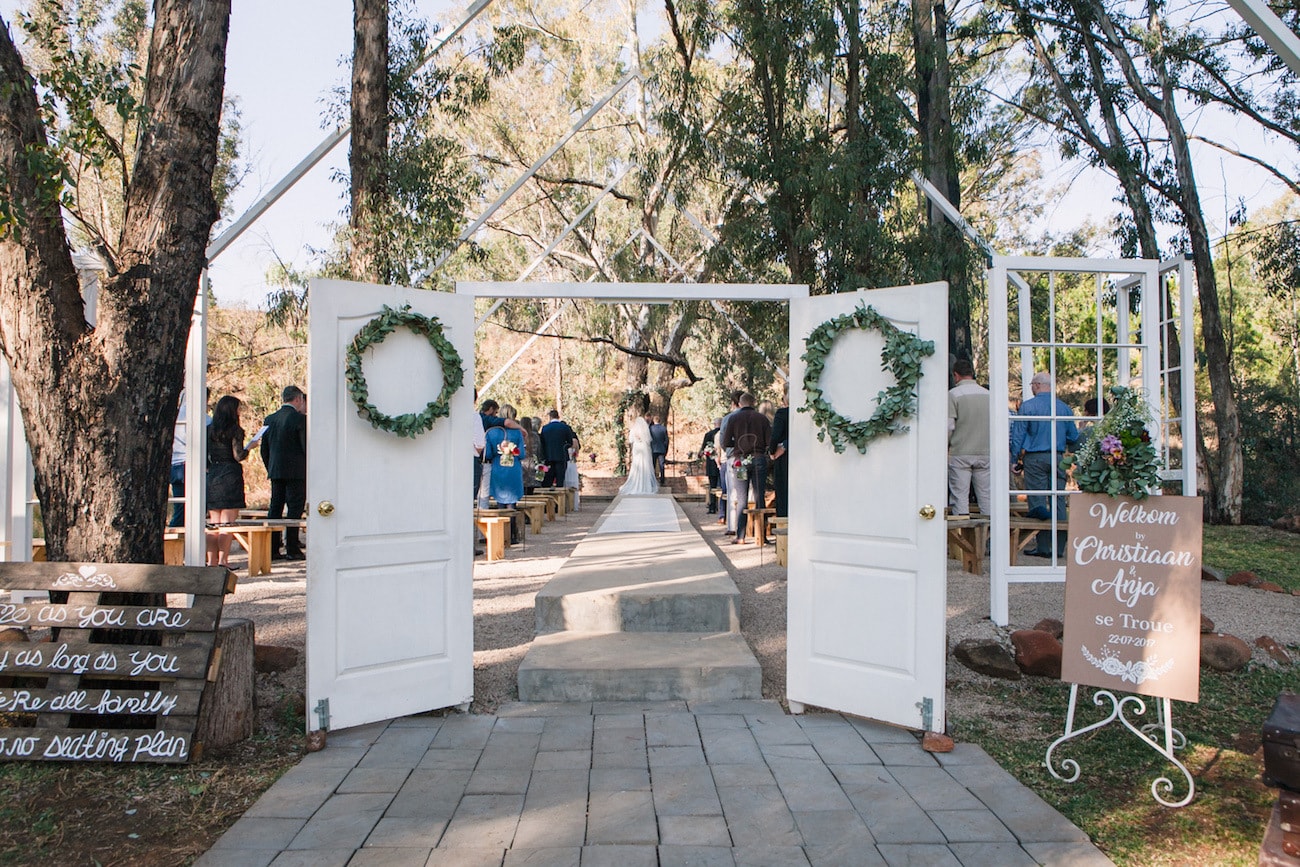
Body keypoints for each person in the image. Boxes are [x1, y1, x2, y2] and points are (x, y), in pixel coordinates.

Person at [1010, 371, 1079, 557]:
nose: (1031, 388)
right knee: (1058, 500)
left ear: (1039, 385)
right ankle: (1059, 547)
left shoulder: (1028, 407)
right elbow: (1073, 437)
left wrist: (1014, 460)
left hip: (1034, 458)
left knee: (1037, 501)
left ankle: (1043, 546)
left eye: (1032, 384)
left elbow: (1018, 436)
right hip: (1058, 457)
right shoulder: (1064, 408)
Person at [261, 385, 308, 561]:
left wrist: (270, 466)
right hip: (296, 470)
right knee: (294, 509)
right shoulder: (299, 420)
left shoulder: (269, 419)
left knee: (275, 508)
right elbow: (305, 446)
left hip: (276, 469)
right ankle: (292, 547)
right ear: (297, 399)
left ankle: (273, 548)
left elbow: (264, 449)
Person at [205, 395, 251, 567]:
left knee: (213, 523)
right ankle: (224, 560)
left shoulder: (209, 430)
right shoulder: (235, 431)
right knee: (227, 523)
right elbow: (238, 455)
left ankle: (211, 561)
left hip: (214, 472)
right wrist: (249, 448)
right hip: (230, 474)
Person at [722, 392, 771, 544]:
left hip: (741, 462)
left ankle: (740, 536)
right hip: (758, 460)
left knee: (742, 498)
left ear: (740, 403)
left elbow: (725, 441)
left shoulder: (733, 418)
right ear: (754, 402)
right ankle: (761, 536)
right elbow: (769, 440)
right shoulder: (762, 418)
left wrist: (737, 445)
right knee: (759, 495)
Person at [947, 359, 992, 517]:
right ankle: (988, 536)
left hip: (961, 452)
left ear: (956, 375)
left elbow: (950, 426)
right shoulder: (988, 395)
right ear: (972, 374)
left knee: (960, 497)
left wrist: (946, 446)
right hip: (986, 451)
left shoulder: (953, 395)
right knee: (986, 497)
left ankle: (962, 536)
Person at [484, 405, 527, 541]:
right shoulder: (518, 433)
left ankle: (501, 534)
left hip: (498, 468)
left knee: (500, 501)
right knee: (512, 502)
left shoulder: (492, 432)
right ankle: (512, 534)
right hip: (513, 469)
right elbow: (522, 454)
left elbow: (489, 454)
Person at [716, 390, 743, 532]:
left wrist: (728, 450)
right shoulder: (756, 416)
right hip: (752, 456)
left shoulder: (728, 418)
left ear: (733, 403)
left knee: (733, 491)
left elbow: (722, 440)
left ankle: (733, 526)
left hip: (733, 457)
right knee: (749, 493)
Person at [619, 403, 659, 495]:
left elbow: (631, 440)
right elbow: (648, 440)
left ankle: (636, 483)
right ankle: (646, 486)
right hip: (644, 448)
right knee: (644, 466)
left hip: (637, 448)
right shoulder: (645, 430)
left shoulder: (633, 430)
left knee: (637, 465)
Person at [539, 409, 577, 488]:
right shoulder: (565, 427)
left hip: (549, 457)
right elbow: (570, 442)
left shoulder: (545, 428)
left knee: (548, 481)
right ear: (558, 416)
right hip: (562, 457)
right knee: (560, 481)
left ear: (550, 417)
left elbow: (542, 443)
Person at [769, 387, 789, 518]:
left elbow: (775, 435)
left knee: (782, 492)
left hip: (784, 458)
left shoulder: (782, 413)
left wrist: (772, 451)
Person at [701, 418, 722, 514]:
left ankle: (712, 507)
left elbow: (703, 450)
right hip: (723, 463)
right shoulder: (724, 434)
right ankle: (722, 508)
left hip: (711, 464)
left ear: (714, 424)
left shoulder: (708, 434)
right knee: (723, 486)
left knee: (712, 486)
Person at [648, 414, 669, 485]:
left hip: (653, 449)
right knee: (661, 465)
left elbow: (649, 439)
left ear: (654, 421)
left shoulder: (651, 428)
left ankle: (652, 480)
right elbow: (666, 440)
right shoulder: (663, 428)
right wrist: (665, 449)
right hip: (661, 449)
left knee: (652, 465)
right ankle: (662, 480)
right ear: (659, 421)